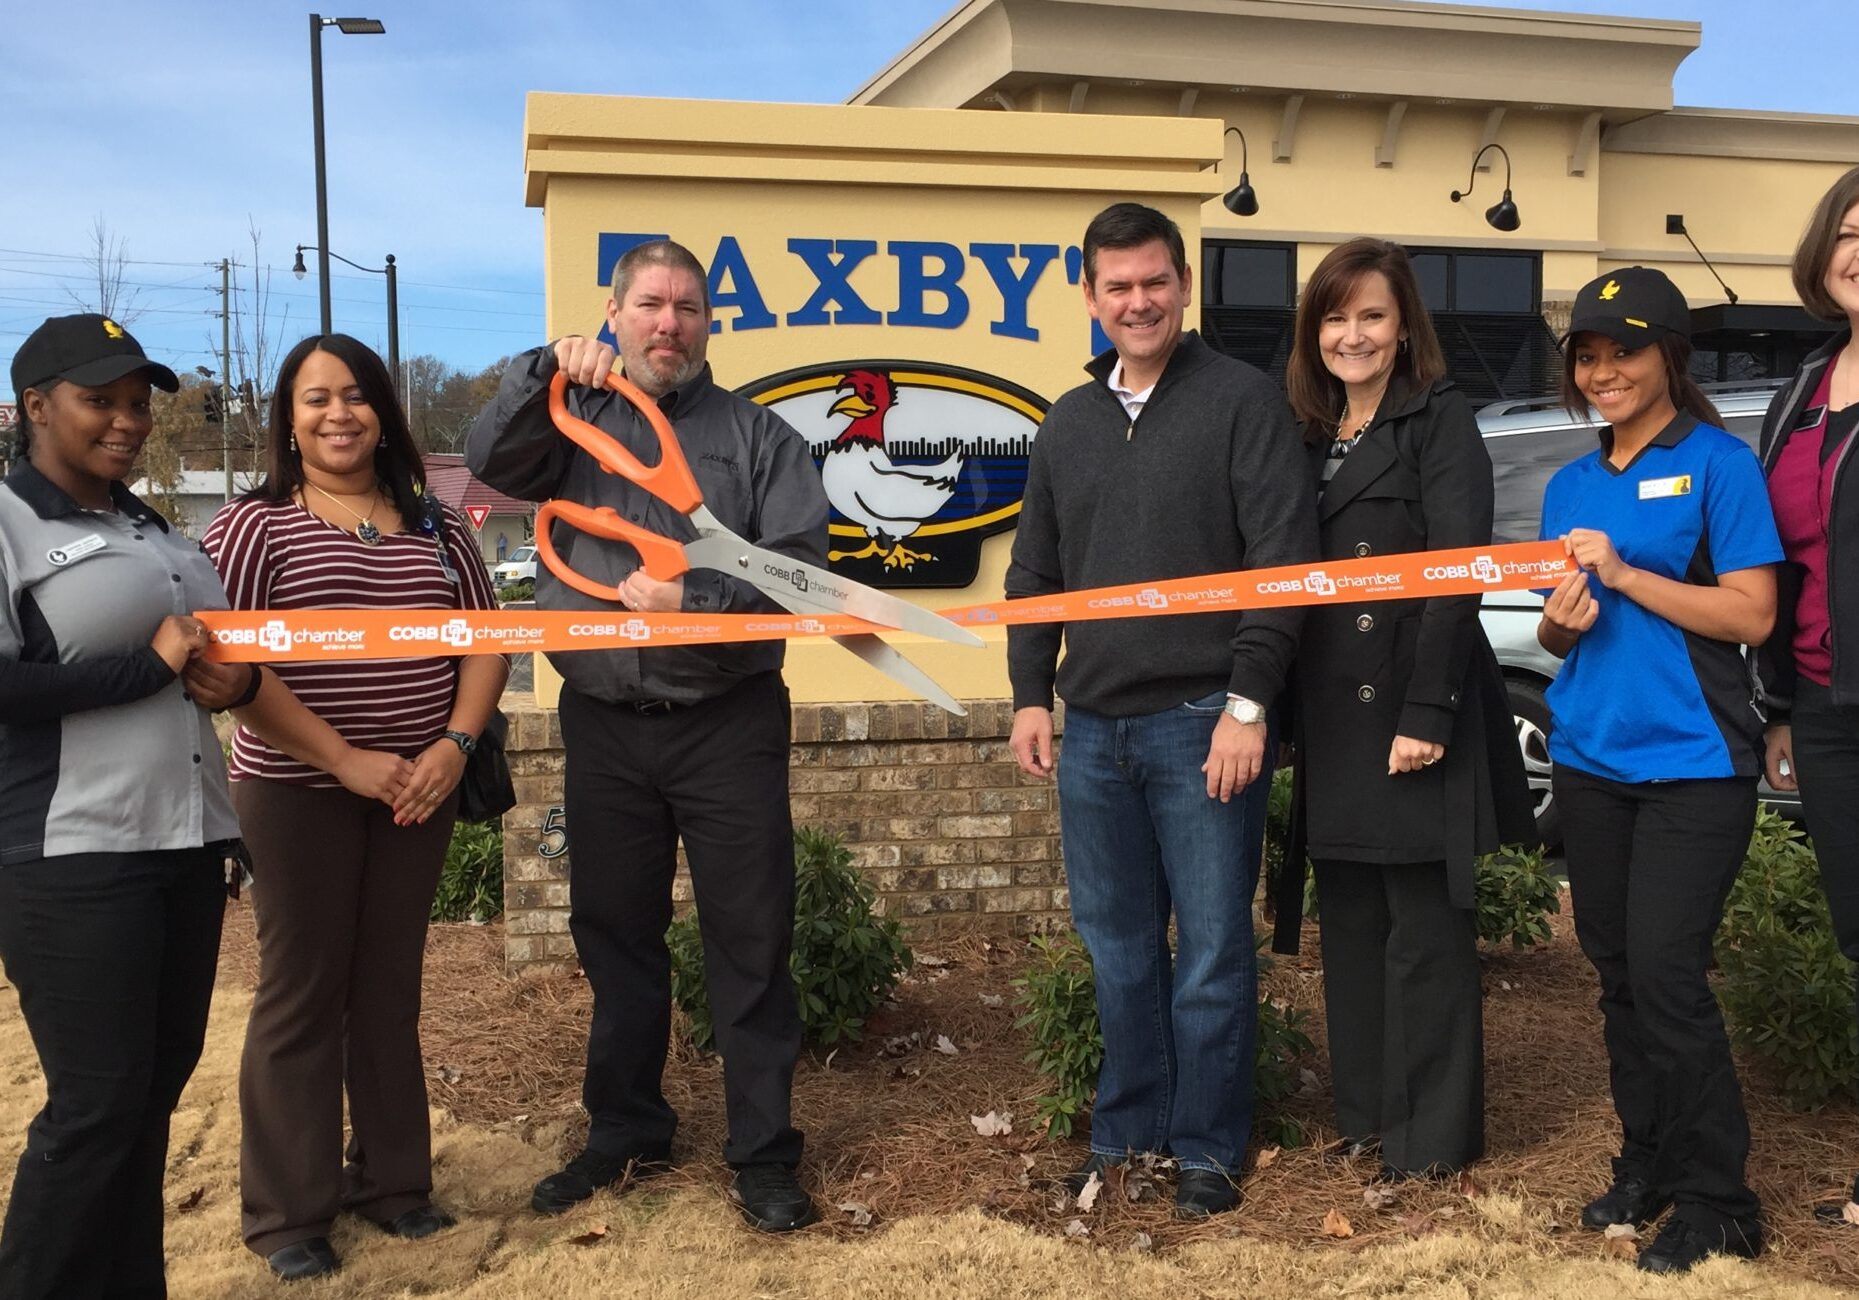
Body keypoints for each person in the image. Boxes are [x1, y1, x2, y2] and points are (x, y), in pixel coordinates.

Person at [465, 239, 828, 1233]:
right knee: (615, 935)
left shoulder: (762, 442)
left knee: (749, 941)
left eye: (687, 308)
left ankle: (762, 1153)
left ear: (709, 325)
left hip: (727, 723)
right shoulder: (566, 421)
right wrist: (544, 367)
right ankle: (624, 1129)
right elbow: (490, 466)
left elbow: (803, 582)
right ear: (615, 315)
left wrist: (696, 595)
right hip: (605, 727)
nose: (668, 323)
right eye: (650, 305)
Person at [1006, 203, 1317, 1217]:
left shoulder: (1240, 402)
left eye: (1153, 282)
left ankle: (1206, 1152)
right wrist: (1026, 692)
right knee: (1119, 948)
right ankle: (1125, 1139)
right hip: (1091, 729)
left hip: (1202, 721)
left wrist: (1248, 704)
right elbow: (1034, 568)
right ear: (1089, 297)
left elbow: (1281, 563)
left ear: (1182, 286)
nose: (1136, 302)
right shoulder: (1067, 419)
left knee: (1214, 952)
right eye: (1116, 287)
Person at [200, 334, 508, 1281]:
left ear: (385, 411)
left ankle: (395, 1186)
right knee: (302, 992)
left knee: (386, 990)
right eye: (315, 399)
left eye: (357, 396)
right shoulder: (250, 529)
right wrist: (344, 759)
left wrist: (452, 748)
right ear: (287, 423)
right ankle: (289, 1213)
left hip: (418, 790)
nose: (339, 414)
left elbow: (486, 636)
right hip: (295, 793)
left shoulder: (438, 524)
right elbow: (228, 666)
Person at [1273, 239, 1533, 1180]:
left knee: (1422, 932)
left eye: (1372, 316)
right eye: (1335, 318)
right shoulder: (1303, 433)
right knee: (1349, 927)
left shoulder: (1439, 421)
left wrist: (1425, 711)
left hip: (1413, 706)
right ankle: (1371, 1119)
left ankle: (1431, 1142)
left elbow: (1454, 575)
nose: (1353, 335)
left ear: (1403, 324)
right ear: (1314, 332)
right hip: (1331, 716)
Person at [1537, 267, 1779, 1273]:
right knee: (1620, 978)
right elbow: (1563, 636)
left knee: (1670, 976)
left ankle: (1720, 1197)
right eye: (1587, 355)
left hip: (1691, 766)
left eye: (1622, 352)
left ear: (1667, 359)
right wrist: (1555, 624)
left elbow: (1751, 614)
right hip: (1590, 760)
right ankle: (1647, 1159)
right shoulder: (1566, 482)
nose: (1603, 372)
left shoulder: (1717, 465)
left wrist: (1628, 574)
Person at [0, 315, 238, 1298]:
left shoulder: (151, 528)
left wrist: (231, 686)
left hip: (186, 841)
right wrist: (146, 666)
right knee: (96, 1102)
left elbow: (198, 665)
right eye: (101, 399)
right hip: (71, 850)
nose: (129, 420)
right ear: (35, 406)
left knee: (147, 1099)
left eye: (139, 402)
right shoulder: (9, 524)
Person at [1754, 164, 1859, 1224]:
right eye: (1848, 231)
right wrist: (1777, 702)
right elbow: (1779, 564)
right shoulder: (1801, 389)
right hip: (1825, 706)